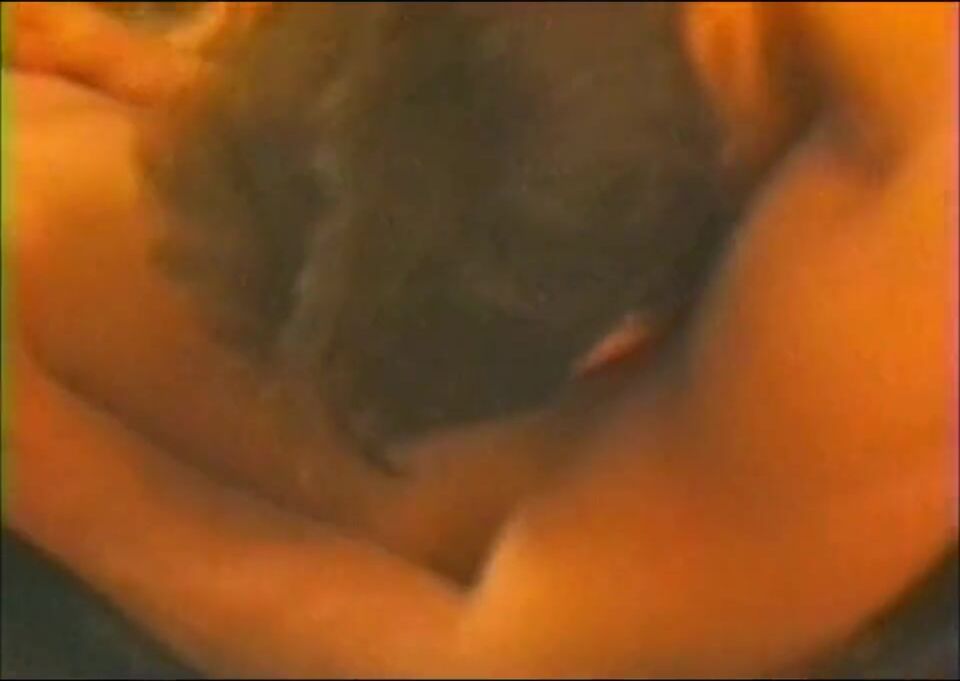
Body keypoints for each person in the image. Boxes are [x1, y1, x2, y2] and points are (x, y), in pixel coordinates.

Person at [5, 2, 957, 677]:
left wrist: (52, 465)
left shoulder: (907, 267)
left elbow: (499, 656)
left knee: (42, 231)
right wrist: (256, 109)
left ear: (623, 341)